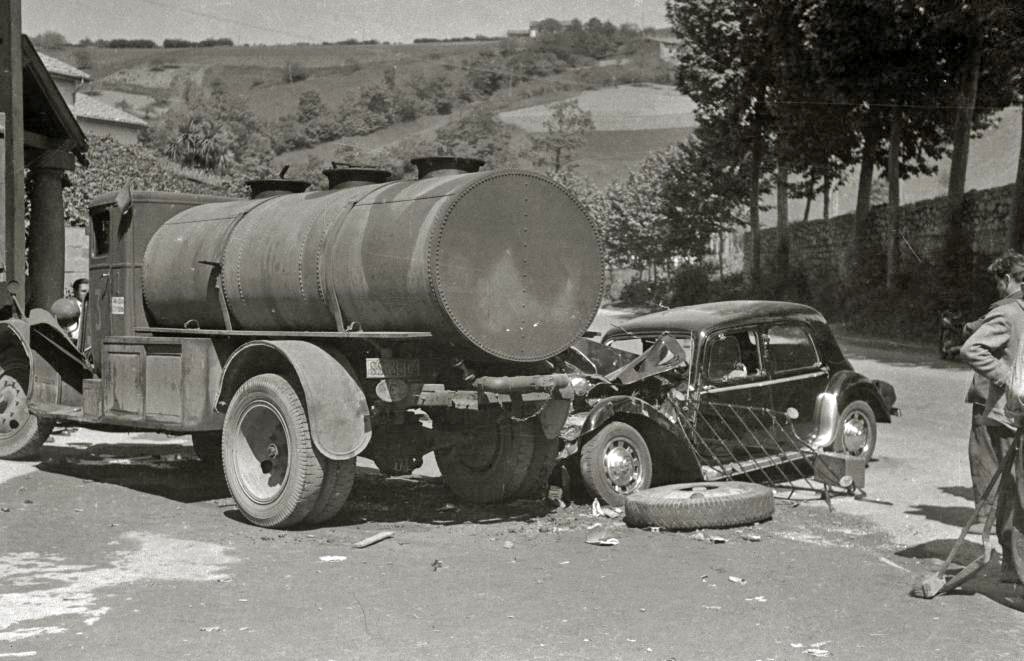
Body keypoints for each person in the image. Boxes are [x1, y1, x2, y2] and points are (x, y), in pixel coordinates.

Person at [961, 251, 1024, 584]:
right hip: (1013, 410)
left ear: (1006, 279)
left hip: (995, 410)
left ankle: (1012, 565)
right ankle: (1013, 564)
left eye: (998, 281)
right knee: (1011, 487)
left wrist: (1007, 377)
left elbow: (973, 347)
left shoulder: (1007, 309)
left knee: (996, 485)